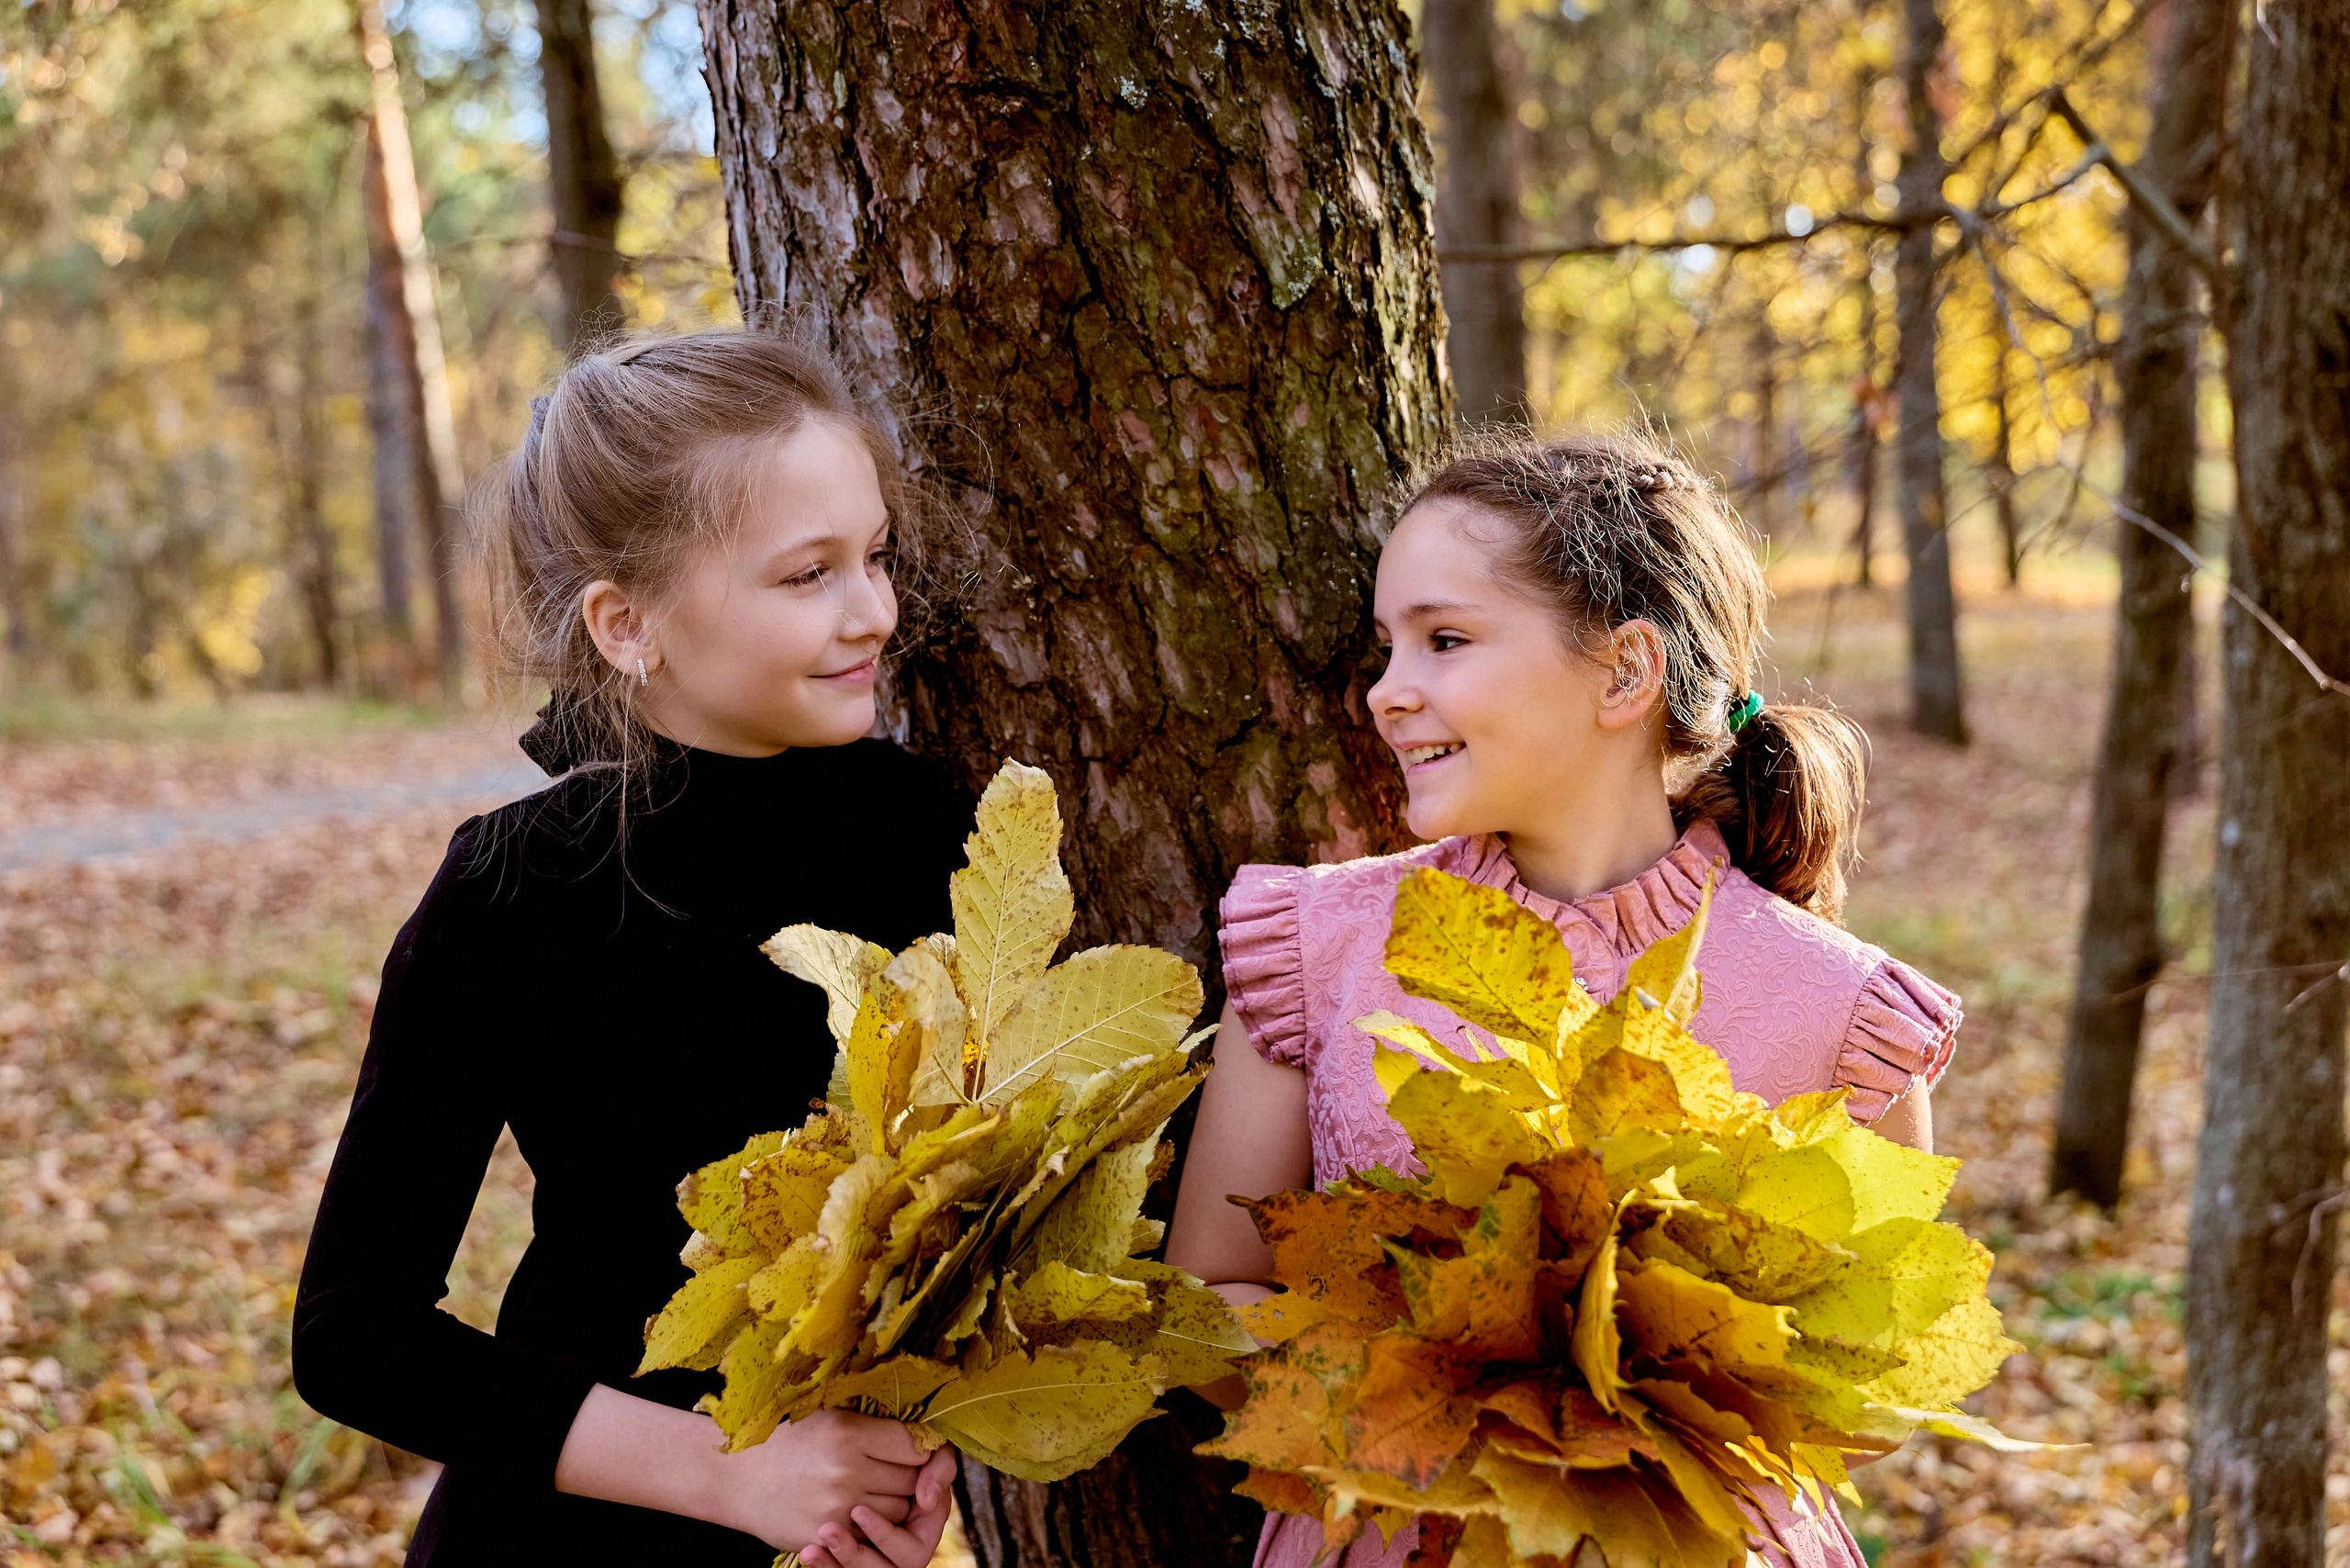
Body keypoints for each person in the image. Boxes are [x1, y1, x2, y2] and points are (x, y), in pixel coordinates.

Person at [1166, 429, 1962, 1568]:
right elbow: (1207, 1292)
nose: (1387, 693)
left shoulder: (1839, 1010)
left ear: (1625, 672)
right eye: (1386, 648)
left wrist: (1660, 1397)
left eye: (1444, 639)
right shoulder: (1319, 946)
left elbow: (1874, 1389)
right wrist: (1446, 1399)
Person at [294, 328, 964, 1568]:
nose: (873, 610)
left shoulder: (938, 838)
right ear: (626, 622)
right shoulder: (513, 890)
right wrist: (735, 1474)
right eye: (807, 575)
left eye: (876, 557)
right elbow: (354, 1332)